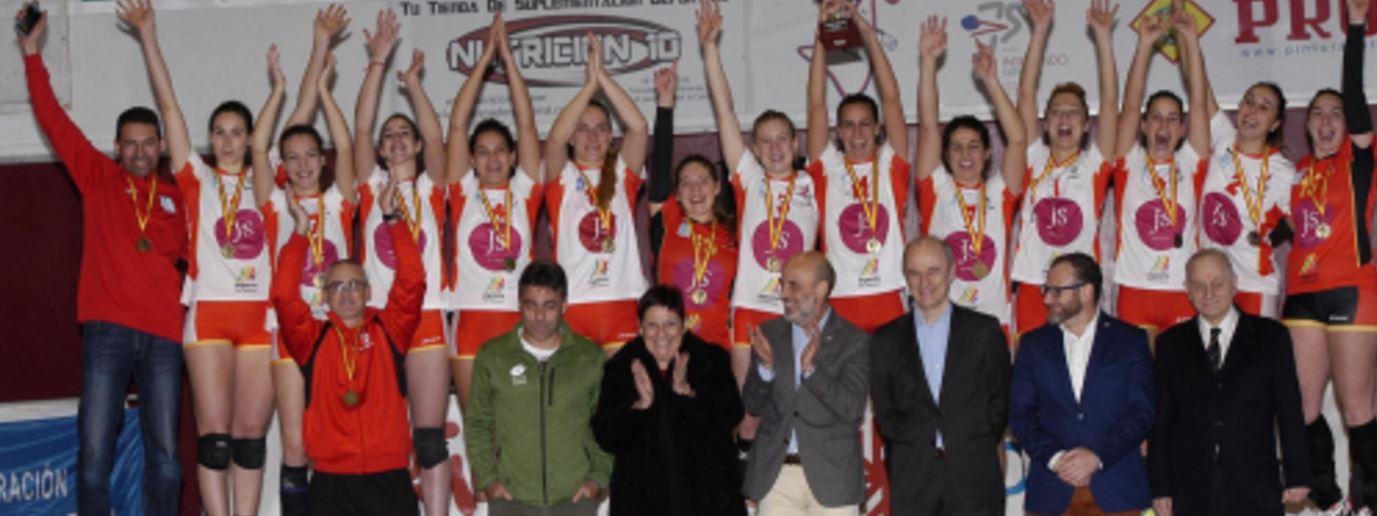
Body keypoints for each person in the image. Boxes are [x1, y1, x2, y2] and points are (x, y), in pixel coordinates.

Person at [20, 6, 187, 515]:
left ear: (161, 146)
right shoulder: (97, 178)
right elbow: (53, 119)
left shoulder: (181, 198)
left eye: (148, 144)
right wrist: (31, 54)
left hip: (164, 337)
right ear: (116, 147)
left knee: (167, 459)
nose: (139, 152)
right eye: (129, 144)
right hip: (107, 333)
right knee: (93, 455)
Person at [119, 0, 281, 511]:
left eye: (238, 132)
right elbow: (169, 107)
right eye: (220, 132)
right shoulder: (196, 178)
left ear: (251, 139)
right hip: (209, 315)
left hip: (260, 317)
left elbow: (293, 121)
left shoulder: (268, 180)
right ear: (210, 138)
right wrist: (148, 35)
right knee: (214, 439)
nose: (228, 141)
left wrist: (284, 84)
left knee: (250, 438)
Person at [271, 174, 423, 515]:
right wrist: (300, 232)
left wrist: (392, 218)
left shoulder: (391, 329)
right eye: (337, 287)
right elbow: (283, 296)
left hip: (389, 476)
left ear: (368, 292)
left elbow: (412, 280)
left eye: (355, 285)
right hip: (331, 481)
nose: (347, 293)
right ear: (325, 296)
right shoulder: (311, 338)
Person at [253, 24, 356, 516]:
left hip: (338, 330)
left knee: (335, 440)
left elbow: (347, 147)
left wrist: (325, 91)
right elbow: (257, 149)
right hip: (290, 331)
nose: (300, 165)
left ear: (322, 160)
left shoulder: (339, 201)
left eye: (310, 156)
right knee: (295, 444)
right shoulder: (274, 204)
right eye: (291, 158)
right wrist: (278, 89)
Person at [352, 9, 452, 511]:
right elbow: (361, 124)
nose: (394, 140)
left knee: (429, 437)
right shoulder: (371, 187)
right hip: (379, 317)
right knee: (378, 432)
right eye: (388, 135)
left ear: (412, 145)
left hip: (427, 313)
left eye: (402, 134)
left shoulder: (431, 187)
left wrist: (413, 85)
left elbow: (436, 138)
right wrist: (377, 63)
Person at [698, 0, 820, 403]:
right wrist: (710, 50)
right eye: (764, 141)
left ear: (796, 143)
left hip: (797, 307)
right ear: (754, 148)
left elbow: (817, 103)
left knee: (797, 404)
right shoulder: (750, 178)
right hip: (751, 305)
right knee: (748, 411)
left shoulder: (814, 182)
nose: (774, 148)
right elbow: (726, 113)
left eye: (782, 139)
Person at [1281, 0, 1377, 511]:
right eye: (1316, 113)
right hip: (1301, 296)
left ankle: (1368, 500)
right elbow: (1284, 227)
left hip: (1352, 292)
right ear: (1306, 125)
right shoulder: (1297, 173)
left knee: (1357, 407)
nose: (1325, 120)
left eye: (1335, 114)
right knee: (1301, 409)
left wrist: (1355, 29)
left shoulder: (1358, 161)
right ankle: (1328, 497)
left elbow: (1357, 99)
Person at [1147, 249, 1311, 515]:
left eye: (1217, 284)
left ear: (1234, 284)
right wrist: (1160, 486)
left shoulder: (1271, 336)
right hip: (1190, 487)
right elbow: (1162, 418)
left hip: (1256, 484)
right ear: (1187, 291)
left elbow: (1289, 408)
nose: (1208, 293)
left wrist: (1298, 473)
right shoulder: (1170, 343)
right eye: (1198, 286)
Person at [1111, 5, 1227, 344]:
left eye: (1173, 118)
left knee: (1181, 375)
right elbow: (1130, 104)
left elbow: (1199, 102)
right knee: (1140, 376)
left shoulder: (1191, 162)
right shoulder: (1128, 162)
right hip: (1135, 290)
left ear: (1182, 128)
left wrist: (1190, 40)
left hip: (1182, 290)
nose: (1164, 125)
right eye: (1156, 118)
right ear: (1144, 125)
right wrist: (1145, 45)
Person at [871, 237, 1011, 515]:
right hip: (913, 482)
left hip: (974, 480)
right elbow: (885, 412)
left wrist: (969, 438)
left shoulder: (984, 331)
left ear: (952, 272)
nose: (924, 282)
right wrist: (915, 442)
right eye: (914, 273)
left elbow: (1001, 402)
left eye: (933, 271)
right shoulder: (885, 339)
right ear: (905, 278)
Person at [446, 14, 543, 411]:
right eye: (482, 152)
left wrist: (509, 62)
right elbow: (457, 125)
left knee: (520, 422)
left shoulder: (525, 192)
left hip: (518, 318)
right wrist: (485, 60)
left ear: (513, 156)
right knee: (478, 426)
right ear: (471, 159)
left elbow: (527, 122)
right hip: (470, 318)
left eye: (500, 150)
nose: (492, 159)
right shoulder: (463, 192)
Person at [1010, 253, 1154, 515]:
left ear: (1087, 292)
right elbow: (1020, 415)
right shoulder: (1033, 345)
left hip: (1117, 492)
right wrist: (1056, 459)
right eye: (1046, 290)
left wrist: (1096, 456)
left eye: (1057, 291)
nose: (1047, 299)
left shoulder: (1130, 341)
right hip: (1051, 493)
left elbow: (1143, 412)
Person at [465, 261, 612, 516]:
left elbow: (606, 424)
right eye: (531, 305)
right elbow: (477, 423)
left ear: (564, 305)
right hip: (511, 500)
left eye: (550, 306)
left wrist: (598, 478)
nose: (540, 316)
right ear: (519, 305)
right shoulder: (493, 356)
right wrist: (488, 480)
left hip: (575, 499)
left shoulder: (589, 357)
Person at [1009, 0, 1119, 338]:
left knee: (1080, 365)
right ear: (1046, 124)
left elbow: (1111, 102)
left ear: (1086, 125)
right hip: (1034, 284)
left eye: (1073, 112)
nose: (1064, 118)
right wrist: (1039, 30)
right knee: (1030, 363)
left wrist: (1103, 38)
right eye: (1057, 112)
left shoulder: (1094, 165)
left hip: (1078, 286)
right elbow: (1025, 93)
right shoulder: (1032, 157)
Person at [804, 0, 910, 335]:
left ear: (878, 129)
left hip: (890, 294)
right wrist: (822, 35)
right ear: (837, 132)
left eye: (865, 124)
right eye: (848, 126)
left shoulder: (891, 164)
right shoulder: (827, 168)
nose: (857, 133)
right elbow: (816, 104)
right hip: (841, 299)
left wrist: (864, 30)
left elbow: (891, 99)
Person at [592, 285, 746, 516]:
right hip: (641, 502)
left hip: (708, 500)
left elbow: (732, 414)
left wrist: (689, 394)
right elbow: (605, 435)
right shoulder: (622, 366)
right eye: (652, 325)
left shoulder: (711, 359)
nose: (661, 334)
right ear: (640, 327)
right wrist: (639, 407)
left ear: (684, 325)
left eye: (670, 324)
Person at [913, 15, 1026, 328]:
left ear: (988, 152)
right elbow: (927, 126)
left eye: (974, 146)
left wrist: (991, 80)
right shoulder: (936, 188)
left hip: (994, 321)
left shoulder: (1000, 192)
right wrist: (928, 63)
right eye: (956, 147)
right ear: (945, 154)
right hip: (943, 321)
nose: (965, 155)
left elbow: (1018, 139)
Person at [543, 32, 650, 352]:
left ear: (611, 136)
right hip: (574, 305)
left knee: (626, 387)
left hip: (623, 301)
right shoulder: (561, 176)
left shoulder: (622, 172)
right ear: (572, 136)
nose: (592, 137)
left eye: (601, 128)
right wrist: (588, 87)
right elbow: (554, 139)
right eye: (583, 129)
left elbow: (639, 127)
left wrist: (602, 77)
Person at [742, 251, 869, 515]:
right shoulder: (769, 334)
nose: (784, 294)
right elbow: (752, 404)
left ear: (821, 289)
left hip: (834, 480)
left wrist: (812, 371)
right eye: (783, 284)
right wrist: (766, 368)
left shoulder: (853, 340)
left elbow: (852, 408)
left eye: (794, 285)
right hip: (777, 478)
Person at [1190, 17, 1296, 318]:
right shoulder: (1222, 137)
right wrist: (1190, 38)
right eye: (1249, 102)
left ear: (1275, 124)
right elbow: (1200, 90)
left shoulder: (1285, 172)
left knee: (1256, 351)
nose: (1252, 111)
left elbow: (1304, 229)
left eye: (1264, 107)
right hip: (1210, 284)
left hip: (1255, 284)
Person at [645, 62, 738, 350]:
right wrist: (665, 103)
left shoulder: (734, 231)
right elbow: (660, 160)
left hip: (719, 349)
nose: (695, 190)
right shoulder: (668, 219)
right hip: (668, 346)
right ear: (677, 193)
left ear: (717, 187)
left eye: (703, 181)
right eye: (686, 183)